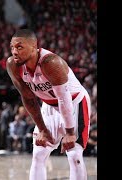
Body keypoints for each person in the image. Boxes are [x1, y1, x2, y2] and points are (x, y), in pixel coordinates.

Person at [6, 29, 91, 180]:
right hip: (49, 105)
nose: (14, 51)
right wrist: (43, 129)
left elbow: (64, 99)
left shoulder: (51, 63)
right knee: (39, 152)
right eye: (12, 47)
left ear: (34, 47)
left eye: (19, 47)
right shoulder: (13, 65)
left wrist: (70, 133)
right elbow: (28, 99)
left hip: (74, 102)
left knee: (74, 155)